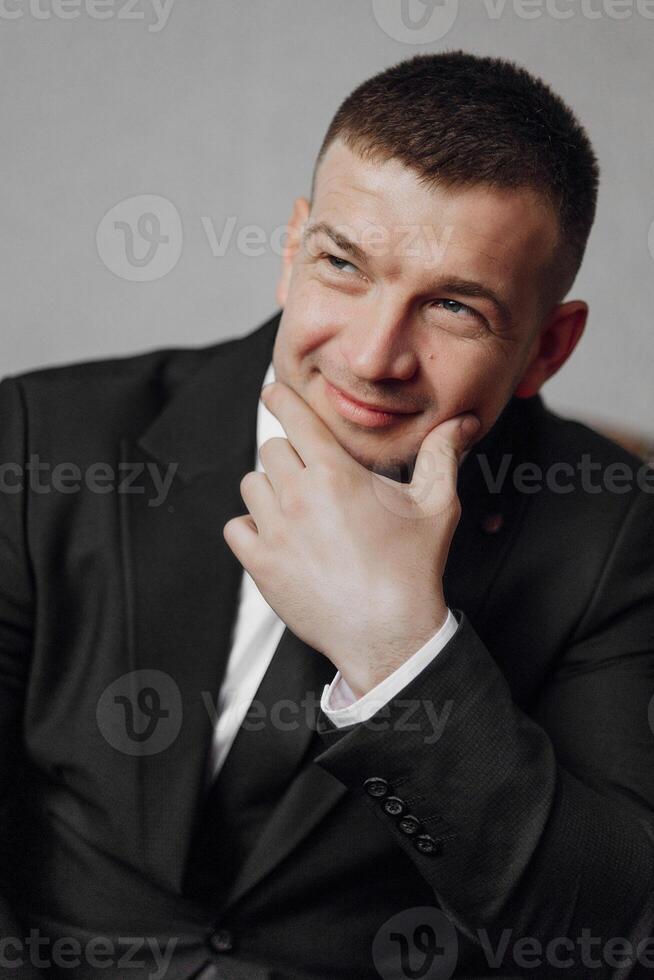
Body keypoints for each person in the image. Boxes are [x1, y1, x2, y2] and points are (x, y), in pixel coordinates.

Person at [0, 50, 653, 980]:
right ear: (293, 248)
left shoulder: (615, 532)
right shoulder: (36, 441)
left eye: (454, 308)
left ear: (548, 348)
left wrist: (399, 649)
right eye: (343, 265)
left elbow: (603, 935)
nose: (374, 355)